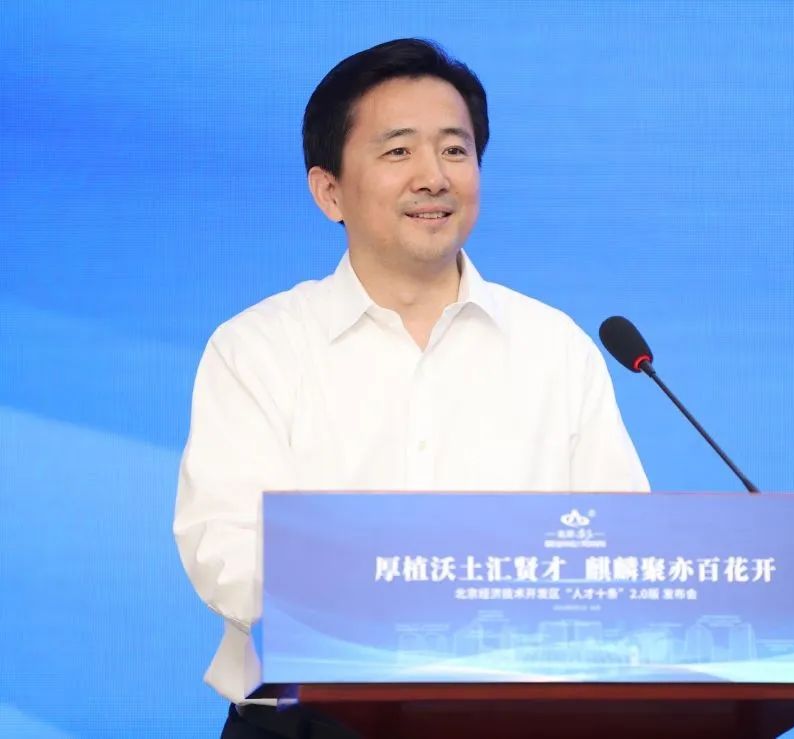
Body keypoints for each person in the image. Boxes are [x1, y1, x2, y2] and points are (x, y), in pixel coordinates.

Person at [174, 38, 649, 738]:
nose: (433, 176)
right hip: (309, 719)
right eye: (398, 151)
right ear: (329, 191)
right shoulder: (258, 348)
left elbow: (620, 551)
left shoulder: (555, 348)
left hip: (516, 717)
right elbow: (226, 549)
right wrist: (401, 602)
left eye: (455, 150)